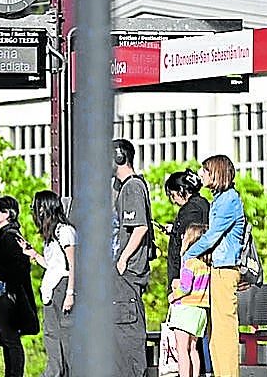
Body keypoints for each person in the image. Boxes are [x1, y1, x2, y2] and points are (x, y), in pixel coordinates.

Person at [182, 154, 244, 377]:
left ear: (217, 173)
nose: (201, 174)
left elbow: (211, 237)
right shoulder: (220, 200)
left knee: (224, 331)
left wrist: (188, 255)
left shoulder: (229, 200)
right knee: (214, 332)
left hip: (225, 270)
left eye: (205, 171)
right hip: (218, 269)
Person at [0, 196, 38, 377]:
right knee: (7, 340)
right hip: (4, 294)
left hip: (6, 295)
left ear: (7, 214)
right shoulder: (7, 235)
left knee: (10, 340)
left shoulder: (9, 236)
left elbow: (20, 266)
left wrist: (11, 290)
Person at [111, 138, 152, 377]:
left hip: (128, 274)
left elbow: (140, 227)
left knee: (127, 338)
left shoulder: (132, 187)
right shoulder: (127, 186)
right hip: (125, 274)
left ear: (119, 157)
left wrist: (122, 260)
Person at [25, 190, 76, 377]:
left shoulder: (65, 231)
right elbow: (53, 265)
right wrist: (34, 254)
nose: (34, 212)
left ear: (44, 208)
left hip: (63, 288)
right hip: (51, 291)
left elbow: (73, 264)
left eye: (36, 207)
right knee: (52, 337)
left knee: (66, 339)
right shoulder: (50, 235)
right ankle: (55, 372)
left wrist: (70, 293)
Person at [169, 223, 212, 377]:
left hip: (185, 310)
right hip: (200, 312)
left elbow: (185, 288)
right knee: (193, 349)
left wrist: (174, 294)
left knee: (182, 349)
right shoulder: (206, 266)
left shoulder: (189, 263)